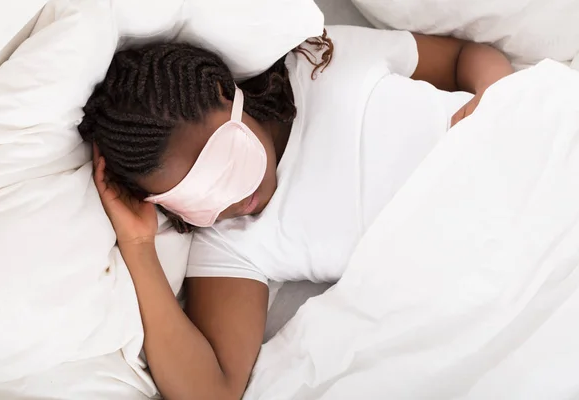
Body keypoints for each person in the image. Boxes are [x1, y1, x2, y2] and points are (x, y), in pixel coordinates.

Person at [79, 25, 513, 400]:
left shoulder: (321, 61)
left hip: (518, 156)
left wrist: (499, 104)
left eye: (225, 160)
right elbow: (213, 391)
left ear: (227, 94)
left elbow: (463, 57)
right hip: (485, 262)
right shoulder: (230, 239)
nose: (233, 197)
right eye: (197, 196)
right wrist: (138, 249)